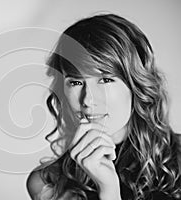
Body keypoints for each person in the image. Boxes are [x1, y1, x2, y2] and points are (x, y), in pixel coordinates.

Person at [26, 13, 181, 200]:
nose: (88, 101)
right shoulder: (48, 183)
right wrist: (107, 190)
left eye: (105, 80)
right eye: (75, 82)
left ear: (136, 85)